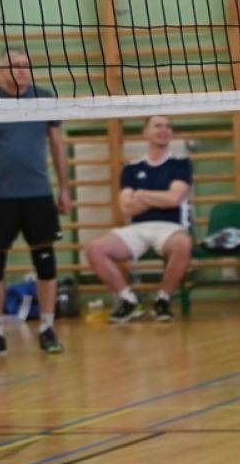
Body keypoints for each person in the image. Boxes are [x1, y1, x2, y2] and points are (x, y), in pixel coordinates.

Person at [0, 49, 70, 358]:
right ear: (0, 71)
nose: (22, 70)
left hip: (38, 193)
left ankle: (47, 328)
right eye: (14, 65)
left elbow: (57, 146)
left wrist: (64, 189)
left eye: (26, 65)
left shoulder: (44, 99)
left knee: (46, 262)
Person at [81, 115, 193, 323]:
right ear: (145, 133)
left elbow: (174, 199)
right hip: (138, 228)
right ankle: (129, 301)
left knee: (183, 244)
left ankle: (163, 299)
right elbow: (126, 207)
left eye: (168, 126)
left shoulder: (181, 164)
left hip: (171, 227)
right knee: (94, 248)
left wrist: (141, 195)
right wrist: (158, 198)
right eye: (158, 126)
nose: (164, 130)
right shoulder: (132, 168)